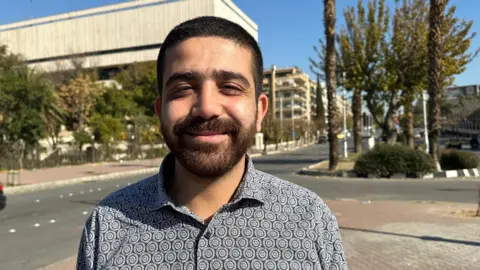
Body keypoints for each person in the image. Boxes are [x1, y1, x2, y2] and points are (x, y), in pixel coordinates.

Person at [77, 16, 348, 270]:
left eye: (230, 87)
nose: (206, 108)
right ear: (160, 111)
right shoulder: (108, 225)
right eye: (183, 89)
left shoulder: (309, 219)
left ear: (260, 112)